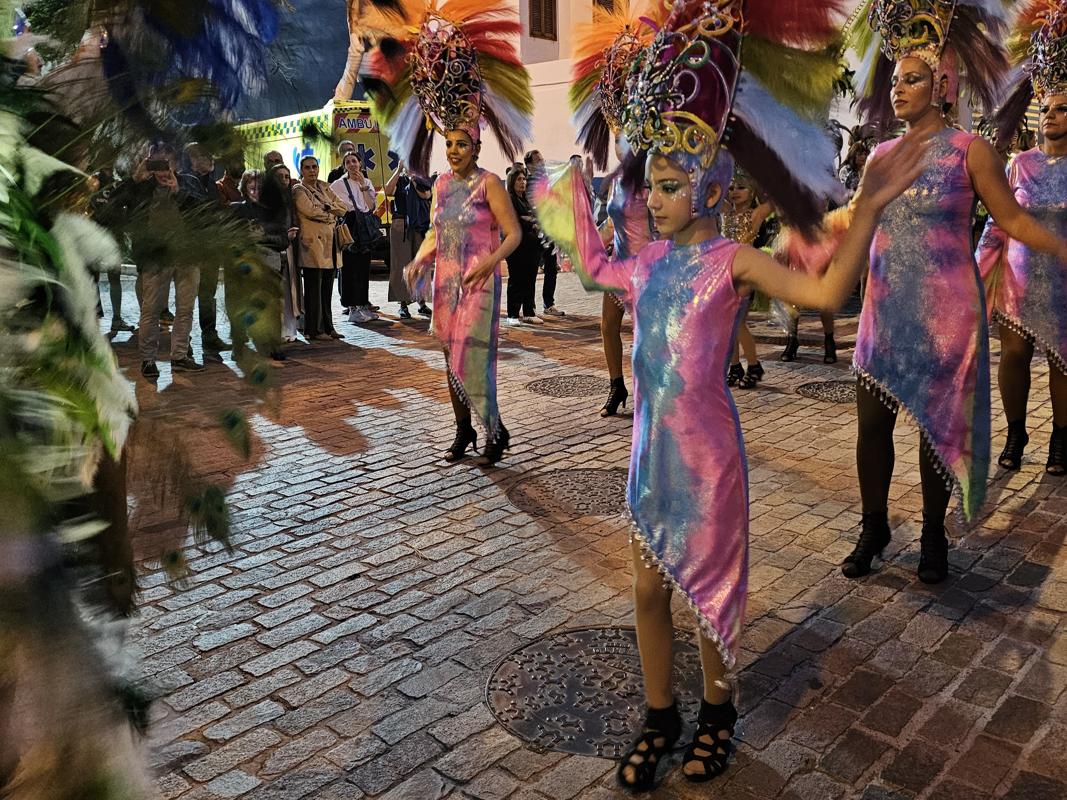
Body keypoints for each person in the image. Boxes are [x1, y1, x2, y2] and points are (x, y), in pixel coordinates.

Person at [532, 2, 916, 789]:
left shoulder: (731, 263)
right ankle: (658, 712)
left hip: (708, 465)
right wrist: (569, 202)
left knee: (704, 593)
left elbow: (822, 292)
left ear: (709, 186)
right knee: (645, 587)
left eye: (671, 186)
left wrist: (870, 209)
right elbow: (591, 269)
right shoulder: (644, 267)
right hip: (648, 462)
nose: (658, 198)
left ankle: (716, 710)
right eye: (654, 186)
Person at [841, 0, 1067, 583]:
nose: (898, 90)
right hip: (885, 312)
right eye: (894, 80)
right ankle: (873, 525)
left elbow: (1012, 221)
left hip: (947, 316)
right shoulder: (881, 157)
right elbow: (860, 225)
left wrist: (1063, 248)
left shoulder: (972, 150)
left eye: (912, 79)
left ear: (942, 84)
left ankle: (934, 535)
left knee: (935, 428)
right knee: (872, 426)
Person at [364, 0, 531, 465]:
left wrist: (491, 262)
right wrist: (419, 258)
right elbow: (436, 233)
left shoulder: (490, 183)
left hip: (480, 280)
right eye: (450, 144)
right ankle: (463, 431)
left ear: (476, 145)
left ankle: (494, 429)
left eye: (463, 144)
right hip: (446, 281)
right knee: (448, 357)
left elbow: (514, 234)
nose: (455, 150)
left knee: (473, 358)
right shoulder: (439, 184)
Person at [977, 1, 1067, 476]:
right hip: (1017, 278)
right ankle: (1016, 430)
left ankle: (1060, 437)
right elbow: (998, 222)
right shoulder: (1019, 164)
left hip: (1063, 283)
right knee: (1013, 355)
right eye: (1046, 107)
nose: (1050, 115)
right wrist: (974, 273)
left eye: (1061, 108)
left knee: (1062, 361)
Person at [567, 2, 661, 416]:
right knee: (607, 328)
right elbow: (611, 225)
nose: (621, 144)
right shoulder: (617, 181)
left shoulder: (655, 177)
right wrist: (588, 242)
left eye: (627, 138)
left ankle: (649, 392)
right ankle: (616, 386)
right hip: (620, 263)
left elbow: (666, 228)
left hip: (647, 269)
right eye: (618, 137)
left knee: (645, 337)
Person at [721, 172, 772, 388]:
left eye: (741, 187)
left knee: (738, 323)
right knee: (727, 324)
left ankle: (754, 366)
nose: (734, 192)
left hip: (744, 273)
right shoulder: (726, 212)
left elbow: (777, 200)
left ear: (752, 192)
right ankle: (735, 367)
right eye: (731, 188)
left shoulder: (755, 214)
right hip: (726, 272)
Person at [180, 142, 231, 354]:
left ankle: (209, 336)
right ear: (192, 160)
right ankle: (184, 341)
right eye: (205, 156)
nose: (211, 159)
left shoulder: (211, 183)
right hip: (192, 248)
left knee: (208, 294)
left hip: (211, 246)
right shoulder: (183, 181)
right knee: (187, 296)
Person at [292, 155, 348, 341]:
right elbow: (309, 210)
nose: (312, 170)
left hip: (330, 245)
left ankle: (328, 327)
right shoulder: (299, 190)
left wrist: (326, 207)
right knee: (313, 290)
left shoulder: (324, 186)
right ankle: (313, 329)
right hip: (312, 245)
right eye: (307, 167)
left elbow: (342, 207)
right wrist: (330, 213)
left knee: (326, 289)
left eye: (314, 167)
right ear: (301, 170)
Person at [330, 151, 381, 323]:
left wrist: (362, 185)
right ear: (344, 166)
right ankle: (351, 307)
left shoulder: (366, 182)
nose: (352, 164)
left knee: (363, 267)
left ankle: (362, 305)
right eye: (348, 162)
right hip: (350, 224)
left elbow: (370, 205)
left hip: (364, 225)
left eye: (354, 161)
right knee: (349, 266)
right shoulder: (338, 184)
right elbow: (331, 202)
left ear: (360, 164)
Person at [383, 161, 432, 318]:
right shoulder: (400, 179)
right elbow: (388, 191)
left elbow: (426, 194)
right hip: (401, 225)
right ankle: (403, 304)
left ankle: (421, 302)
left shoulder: (422, 179)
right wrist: (398, 171)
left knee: (420, 264)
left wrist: (414, 178)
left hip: (419, 226)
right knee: (400, 265)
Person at [260, 164, 303, 343]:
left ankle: (288, 328)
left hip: (288, 247)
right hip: (272, 249)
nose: (284, 180)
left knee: (288, 289)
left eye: (287, 177)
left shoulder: (288, 197)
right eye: (280, 177)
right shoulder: (265, 199)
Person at [524, 149, 564, 318]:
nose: (542, 163)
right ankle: (529, 306)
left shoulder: (548, 181)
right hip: (535, 231)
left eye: (542, 159)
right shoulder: (527, 183)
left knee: (551, 267)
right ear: (529, 165)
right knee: (531, 269)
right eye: (538, 161)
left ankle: (549, 303)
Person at [504, 167, 542, 326]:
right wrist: (531, 224)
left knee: (529, 279)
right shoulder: (510, 200)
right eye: (519, 179)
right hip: (516, 247)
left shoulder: (526, 199)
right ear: (512, 182)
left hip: (531, 247)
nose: (523, 182)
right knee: (516, 280)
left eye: (524, 179)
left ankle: (528, 312)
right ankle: (512, 314)